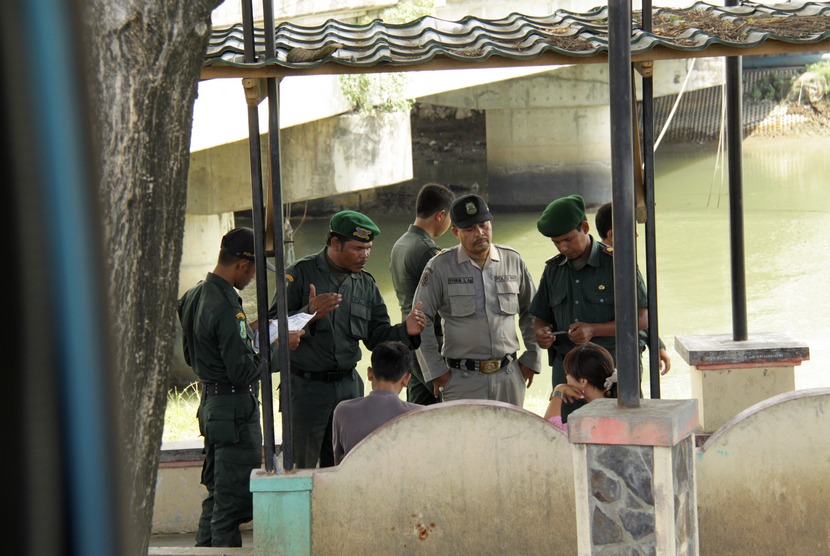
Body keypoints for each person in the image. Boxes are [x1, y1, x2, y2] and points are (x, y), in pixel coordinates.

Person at [178, 227, 303, 547]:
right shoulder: (226, 306)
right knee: (232, 506)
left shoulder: (193, 295)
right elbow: (243, 370)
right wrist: (282, 348)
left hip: (212, 405)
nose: (251, 279)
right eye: (253, 272)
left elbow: (195, 354)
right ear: (243, 266)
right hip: (234, 412)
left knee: (219, 497)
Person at [274, 209, 426, 469]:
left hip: (348, 389)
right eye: (358, 248)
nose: (365, 255)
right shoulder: (299, 274)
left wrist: (406, 331)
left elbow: (377, 337)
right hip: (306, 389)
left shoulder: (365, 284)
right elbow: (272, 327)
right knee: (302, 467)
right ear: (335, 243)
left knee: (349, 467)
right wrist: (308, 313)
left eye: (368, 248)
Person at [413, 194, 541, 407]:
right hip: (461, 380)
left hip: (509, 376)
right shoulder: (440, 266)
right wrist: (436, 371)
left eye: (483, 225)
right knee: (465, 440)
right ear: (456, 232)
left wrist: (532, 357)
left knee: (510, 438)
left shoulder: (513, 260)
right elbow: (419, 319)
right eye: (470, 229)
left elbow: (533, 311)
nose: (479, 233)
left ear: (491, 223)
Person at [530, 194, 647, 421]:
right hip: (568, 375)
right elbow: (541, 316)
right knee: (566, 432)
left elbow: (642, 319)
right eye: (556, 242)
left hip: (609, 372)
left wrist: (594, 330)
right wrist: (541, 333)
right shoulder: (553, 270)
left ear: (584, 227)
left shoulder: (616, 263)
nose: (563, 247)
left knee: (621, 429)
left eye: (568, 240)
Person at [389, 183, 455, 405]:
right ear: (441, 215)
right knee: (449, 406)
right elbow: (447, 297)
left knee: (418, 409)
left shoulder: (401, 243)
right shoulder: (427, 250)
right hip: (430, 339)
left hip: (409, 336)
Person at [594, 202, 671, 377]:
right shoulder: (616, 265)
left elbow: (639, 312)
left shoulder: (625, 262)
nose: (636, 234)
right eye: (631, 229)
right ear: (612, 235)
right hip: (615, 358)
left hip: (626, 353)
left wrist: (656, 344)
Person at [332, 341, 423, 464]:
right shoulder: (419, 414)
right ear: (406, 379)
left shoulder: (343, 411)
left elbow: (339, 462)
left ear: (369, 373)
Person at [543, 342, 617, 433]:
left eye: (568, 374)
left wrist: (558, 391)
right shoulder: (617, 407)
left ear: (583, 382)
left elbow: (550, 432)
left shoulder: (587, 418)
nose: (566, 378)